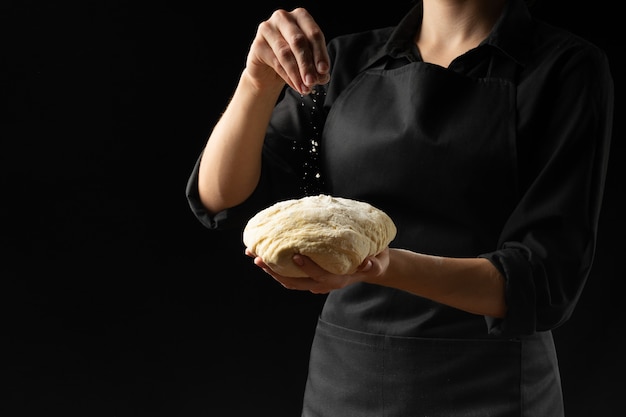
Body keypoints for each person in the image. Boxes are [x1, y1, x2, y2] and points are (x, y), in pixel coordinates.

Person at [185, 0, 614, 415]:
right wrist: (257, 82)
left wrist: (383, 266)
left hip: (491, 382)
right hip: (347, 378)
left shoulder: (565, 68)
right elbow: (221, 197)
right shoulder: (346, 60)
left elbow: (544, 280)